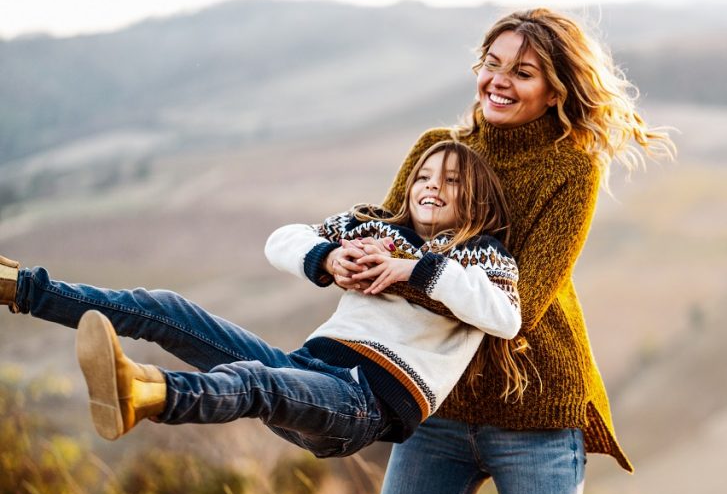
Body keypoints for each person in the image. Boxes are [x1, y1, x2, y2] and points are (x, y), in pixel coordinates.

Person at [318, 8, 675, 494]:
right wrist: (339, 253)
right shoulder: (438, 147)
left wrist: (409, 270)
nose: (499, 80)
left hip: (537, 415)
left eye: (524, 71)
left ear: (556, 89)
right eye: (492, 62)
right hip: (438, 407)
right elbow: (394, 234)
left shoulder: (572, 170)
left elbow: (521, 303)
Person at [0, 141, 523, 459]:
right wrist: (327, 259)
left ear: (475, 198)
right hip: (307, 372)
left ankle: (144, 394)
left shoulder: (479, 257)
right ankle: (21, 288)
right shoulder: (377, 228)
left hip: (362, 405)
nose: (432, 187)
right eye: (424, 178)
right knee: (166, 308)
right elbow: (283, 239)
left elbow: (504, 317)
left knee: (252, 381)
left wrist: (411, 269)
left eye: (451, 182)